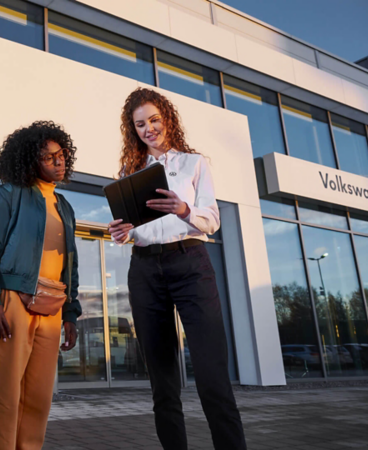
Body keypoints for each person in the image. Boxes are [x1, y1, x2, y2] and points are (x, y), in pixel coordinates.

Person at [108, 88, 246, 450]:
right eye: (140, 124)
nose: (148, 128)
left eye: (154, 119)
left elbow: (212, 220)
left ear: (167, 118)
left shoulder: (194, 163)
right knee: (163, 383)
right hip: (145, 269)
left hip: (190, 264)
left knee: (212, 375)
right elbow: (136, 229)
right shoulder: (130, 172)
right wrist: (123, 232)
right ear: (132, 129)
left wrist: (183, 209)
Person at [0, 120, 82, 449]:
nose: (58, 161)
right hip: (12, 302)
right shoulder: (11, 194)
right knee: (2, 396)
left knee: (37, 399)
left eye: (62, 155)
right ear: (31, 161)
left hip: (52, 308)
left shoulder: (66, 208)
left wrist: (71, 313)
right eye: (49, 158)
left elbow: (70, 266)